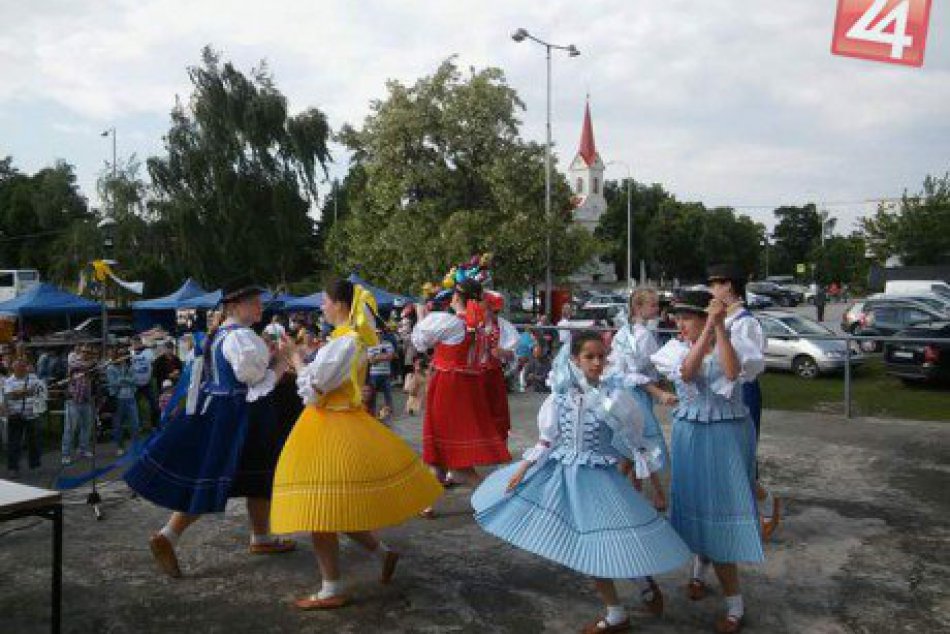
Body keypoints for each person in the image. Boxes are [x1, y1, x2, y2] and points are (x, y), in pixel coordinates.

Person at [473, 332, 690, 633]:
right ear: (575, 359)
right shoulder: (560, 396)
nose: (597, 362)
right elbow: (547, 439)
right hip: (562, 476)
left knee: (603, 541)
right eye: (589, 356)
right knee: (585, 546)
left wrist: (640, 476)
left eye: (601, 356)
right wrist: (523, 468)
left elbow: (635, 443)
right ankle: (618, 608)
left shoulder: (616, 399)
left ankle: (630, 592)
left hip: (599, 478)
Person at [269, 279, 443, 609]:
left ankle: (332, 588)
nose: (321, 306)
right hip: (336, 422)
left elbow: (315, 387)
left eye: (325, 301)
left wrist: (294, 358)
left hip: (330, 425)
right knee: (336, 505)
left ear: (340, 305)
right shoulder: (346, 341)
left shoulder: (345, 342)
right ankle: (382, 554)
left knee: (320, 510)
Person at [125, 283, 296, 579]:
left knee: (255, 475)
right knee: (218, 476)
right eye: (254, 302)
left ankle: (261, 537)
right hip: (242, 415)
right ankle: (168, 535)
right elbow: (255, 380)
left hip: (222, 410)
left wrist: (266, 357)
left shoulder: (222, 334)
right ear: (235, 306)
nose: (260, 307)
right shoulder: (241, 336)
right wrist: (282, 361)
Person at [651, 290, 766, 634]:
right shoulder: (675, 348)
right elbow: (687, 373)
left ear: (704, 317)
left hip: (727, 434)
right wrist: (705, 331)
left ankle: (735, 603)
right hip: (691, 433)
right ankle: (699, 572)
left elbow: (731, 373)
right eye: (678, 318)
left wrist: (719, 328)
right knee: (696, 503)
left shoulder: (731, 341)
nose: (679, 324)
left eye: (687, 318)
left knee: (720, 509)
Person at [411, 278, 511, 494]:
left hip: (448, 387)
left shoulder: (451, 323)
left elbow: (419, 342)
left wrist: (420, 316)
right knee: (444, 450)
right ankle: (427, 501)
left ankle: (492, 498)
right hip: (469, 387)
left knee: (443, 446)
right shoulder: (480, 326)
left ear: (456, 297)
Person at [707, 264, 781, 541]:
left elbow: (748, 365)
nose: (712, 289)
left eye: (716, 283)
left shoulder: (745, 322)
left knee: (741, 457)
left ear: (729, 286)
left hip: (742, 392)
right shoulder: (722, 319)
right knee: (724, 457)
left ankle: (764, 505)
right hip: (719, 394)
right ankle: (739, 514)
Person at [607, 287, 678, 511]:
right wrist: (659, 385)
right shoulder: (643, 335)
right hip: (638, 391)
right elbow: (651, 365)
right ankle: (656, 494)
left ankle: (629, 490)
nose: (657, 309)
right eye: (653, 305)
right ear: (638, 307)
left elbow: (620, 367)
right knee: (646, 442)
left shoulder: (623, 332)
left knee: (633, 443)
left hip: (623, 391)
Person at [3, 356, 45, 478]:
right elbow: (11, 396)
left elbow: (40, 391)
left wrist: (21, 393)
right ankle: (13, 468)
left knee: (34, 442)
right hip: (15, 415)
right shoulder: (9, 381)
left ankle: (34, 464)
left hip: (32, 415)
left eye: (23, 366)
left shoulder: (33, 378)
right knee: (14, 443)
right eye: (18, 367)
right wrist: (27, 392)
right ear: (13, 368)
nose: (21, 369)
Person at [62, 345, 95, 465]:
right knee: (70, 429)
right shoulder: (74, 361)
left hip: (86, 400)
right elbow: (79, 367)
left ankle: (83, 449)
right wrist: (92, 364)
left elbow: (93, 372)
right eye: (84, 352)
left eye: (88, 352)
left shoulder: (92, 364)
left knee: (86, 427)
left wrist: (93, 365)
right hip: (73, 400)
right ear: (80, 352)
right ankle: (65, 454)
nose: (86, 354)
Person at [106, 348, 140, 456]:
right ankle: (120, 447)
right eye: (120, 354)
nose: (123, 356)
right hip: (118, 398)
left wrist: (123, 380)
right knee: (117, 424)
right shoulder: (111, 368)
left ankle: (135, 447)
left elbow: (135, 380)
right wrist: (126, 380)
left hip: (131, 398)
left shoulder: (130, 366)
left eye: (124, 354)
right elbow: (113, 383)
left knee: (135, 423)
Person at [367, 328, 396, 425]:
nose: (378, 335)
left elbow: (391, 357)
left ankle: (389, 415)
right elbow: (371, 361)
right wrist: (383, 356)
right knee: (372, 396)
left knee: (388, 395)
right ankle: (372, 415)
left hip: (386, 374)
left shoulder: (388, 343)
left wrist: (376, 357)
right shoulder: (370, 344)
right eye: (376, 333)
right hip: (374, 374)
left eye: (379, 333)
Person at [130, 338, 158, 429]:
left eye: (136, 343)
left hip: (147, 383)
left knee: (153, 404)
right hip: (135, 384)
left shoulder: (148, 352)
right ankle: (138, 426)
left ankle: (154, 425)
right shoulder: (130, 353)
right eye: (133, 344)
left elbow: (153, 364)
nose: (135, 345)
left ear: (140, 343)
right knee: (134, 406)